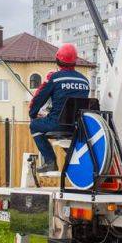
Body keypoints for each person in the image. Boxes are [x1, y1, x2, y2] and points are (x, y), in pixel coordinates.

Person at [29, 43, 90, 173]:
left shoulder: (55, 79)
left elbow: (40, 98)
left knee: (34, 126)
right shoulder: (85, 81)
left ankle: (50, 161)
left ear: (58, 60)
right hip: (77, 127)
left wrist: (33, 114)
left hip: (57, 124)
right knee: (63, 134)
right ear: (75, 61)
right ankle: (76, 161)